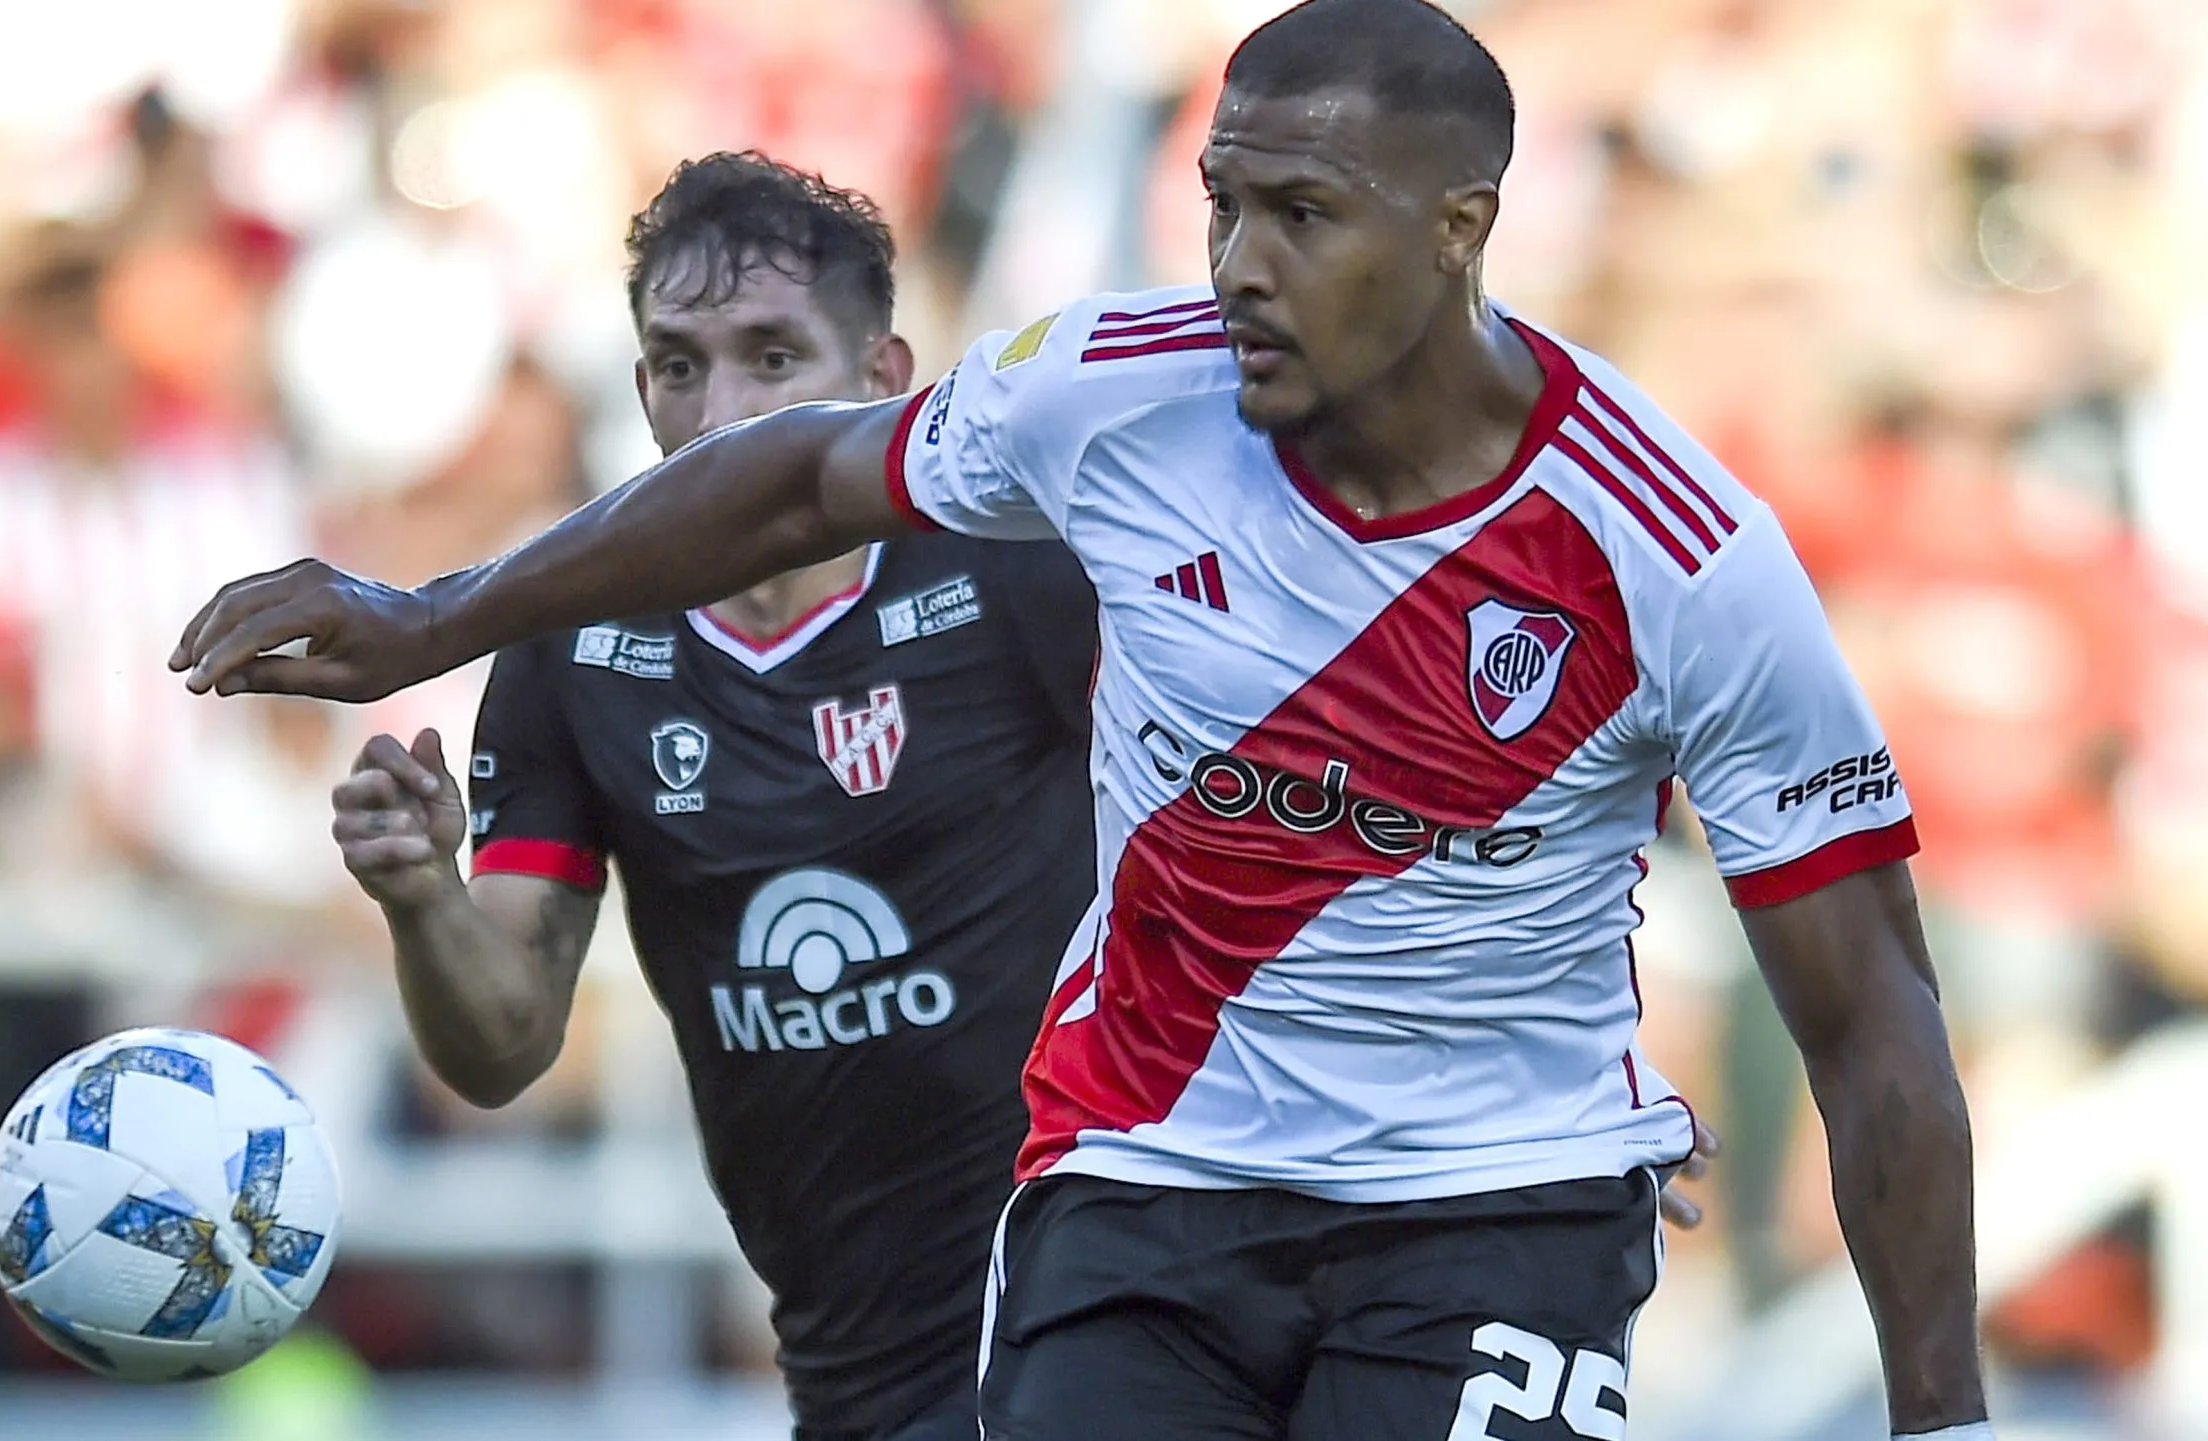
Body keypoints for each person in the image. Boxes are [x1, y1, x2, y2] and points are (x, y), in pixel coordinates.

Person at [175, 4, 1982, 1439]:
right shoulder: (1110, 405)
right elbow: (793, 484)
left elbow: (1874, 1017)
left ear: (1461, 231)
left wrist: (1942, 1418)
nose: (1240, 263)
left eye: (1302, 216)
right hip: (1144, 1181)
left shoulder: (1676, 555)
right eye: (1222, 203)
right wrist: (432, 620)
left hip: (1488, 1210)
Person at [324, 153, 1099, 1441]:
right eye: (680, 366)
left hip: (1082, 1290)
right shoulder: (574, 647)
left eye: (772, 358)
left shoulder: (1018, 572)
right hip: (849, 1350)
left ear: (885, 379)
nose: (723, 409)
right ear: (641, 391)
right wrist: (422, 900)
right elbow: (500, 1049)